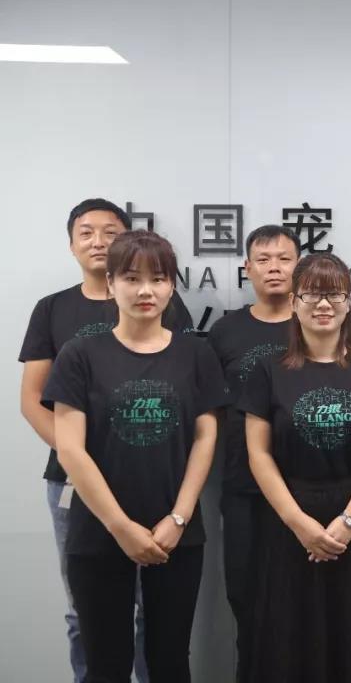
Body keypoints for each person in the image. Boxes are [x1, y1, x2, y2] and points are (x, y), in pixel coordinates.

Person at [19, 199, 193, 683]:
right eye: (86, 232)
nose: (98, 241)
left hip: (154, 481)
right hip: (72, 483)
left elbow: (184, 392)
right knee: (87, 613)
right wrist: (84, 460)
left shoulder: (167, 308)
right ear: (71, 244)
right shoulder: (54, 309)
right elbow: (32, 400)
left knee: (156, 616)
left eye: (109, 231)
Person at [42, 230, 227, 683]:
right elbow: (70, 447)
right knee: (105, 663)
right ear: (110, 285)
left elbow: (206, 437)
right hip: (99, 529)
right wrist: (120, 526)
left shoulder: (196, 353)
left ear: (172, 286)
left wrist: (179, 518)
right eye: (131, 278)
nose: (146, 290)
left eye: (158, 279)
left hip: (176, 532)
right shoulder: (80, 355)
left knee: (170, 660)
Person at [239, 253, 351, 683]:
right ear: (294, 302)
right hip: (288, 519)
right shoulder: (268, 371)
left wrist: (349, 520)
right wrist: (299, 524)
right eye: (312, 294)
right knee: (289, 634)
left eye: (335, 294)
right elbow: (258, 454)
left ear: (349, 303)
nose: (324, 304)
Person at [206, 224, 300, 680]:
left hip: (306, 486)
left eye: (284, 258)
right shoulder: (225, 330)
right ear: (247, 269)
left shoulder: (315, 322)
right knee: (244, 595)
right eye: (263, 260)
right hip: (242, 484)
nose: (274, 268)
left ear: (298, 265)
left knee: (302, 598)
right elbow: (211, 411)